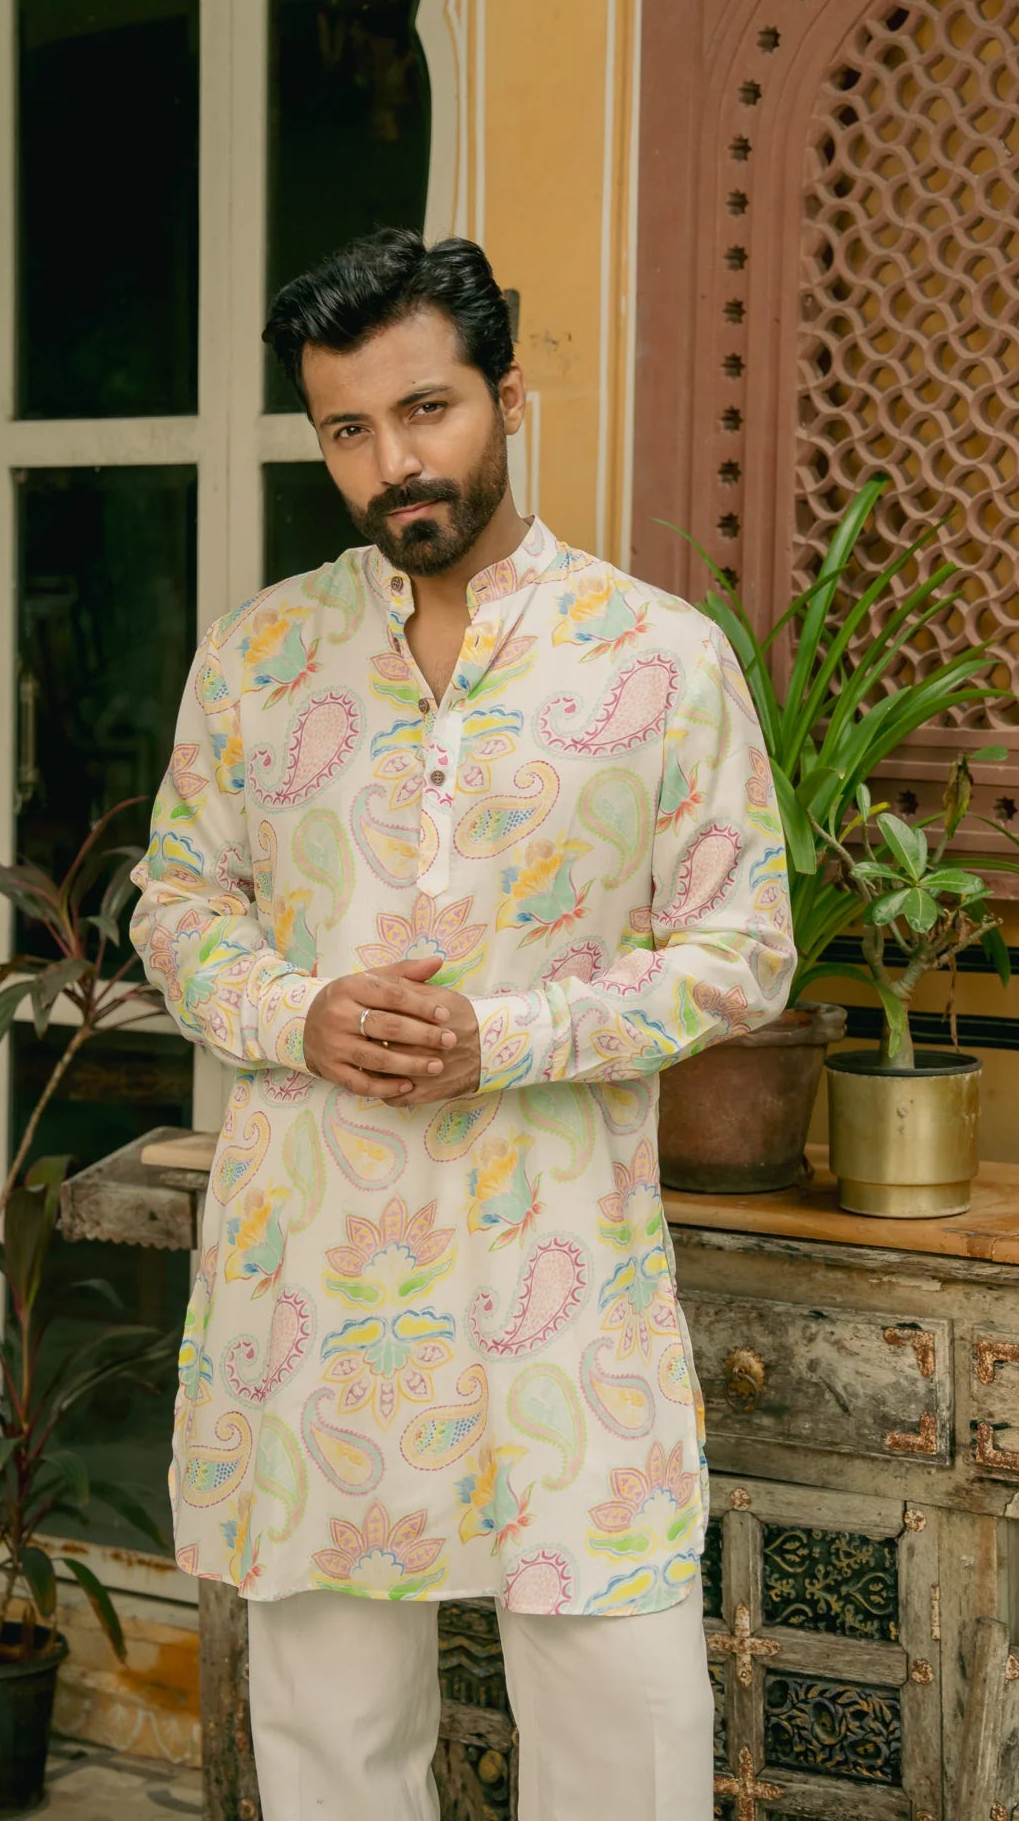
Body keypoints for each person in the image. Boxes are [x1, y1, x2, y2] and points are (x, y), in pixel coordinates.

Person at [130, 229, 795, 1820]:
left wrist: (508, 1037)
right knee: (329, 1742)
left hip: (557, 1285)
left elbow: (742, 951)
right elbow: (174, 901)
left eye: (425, 410)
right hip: (312, 1289)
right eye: (348, 429)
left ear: (506, 396)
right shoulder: (259, 657)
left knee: (626, 1735)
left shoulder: (656, 658)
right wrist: (295, 1011)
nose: (393, 463)